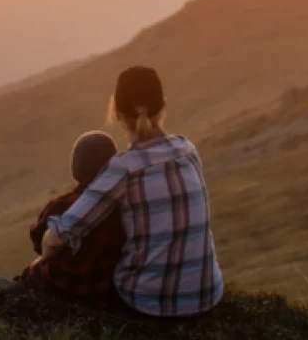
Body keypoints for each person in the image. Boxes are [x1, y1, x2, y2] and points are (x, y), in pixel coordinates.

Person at [41, 66, 224, 317]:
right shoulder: (188, 150)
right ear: (163, 106)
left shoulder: (124, 168)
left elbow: (57, 236)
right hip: (207, 295)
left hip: (146, 302)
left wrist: (41, 260)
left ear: (115, 111)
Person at [20, 130, 126, 308]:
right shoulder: (125, 205)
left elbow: (39, 240)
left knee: (25, 278)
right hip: (107, 289)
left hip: (61, 284)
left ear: (76, 168)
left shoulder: (61, 205)